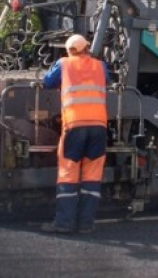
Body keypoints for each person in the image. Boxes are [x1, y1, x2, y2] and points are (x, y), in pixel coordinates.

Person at [40, 34, 110, 234]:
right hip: (98, 127)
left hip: (74, 125)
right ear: (87, 48)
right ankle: (86, 224)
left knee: (68, 174)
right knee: (92, 175)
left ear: (69, 50)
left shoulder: (64, 64)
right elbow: (108, 80)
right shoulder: (100, 66)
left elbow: (47, 82)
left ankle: (65, 223)